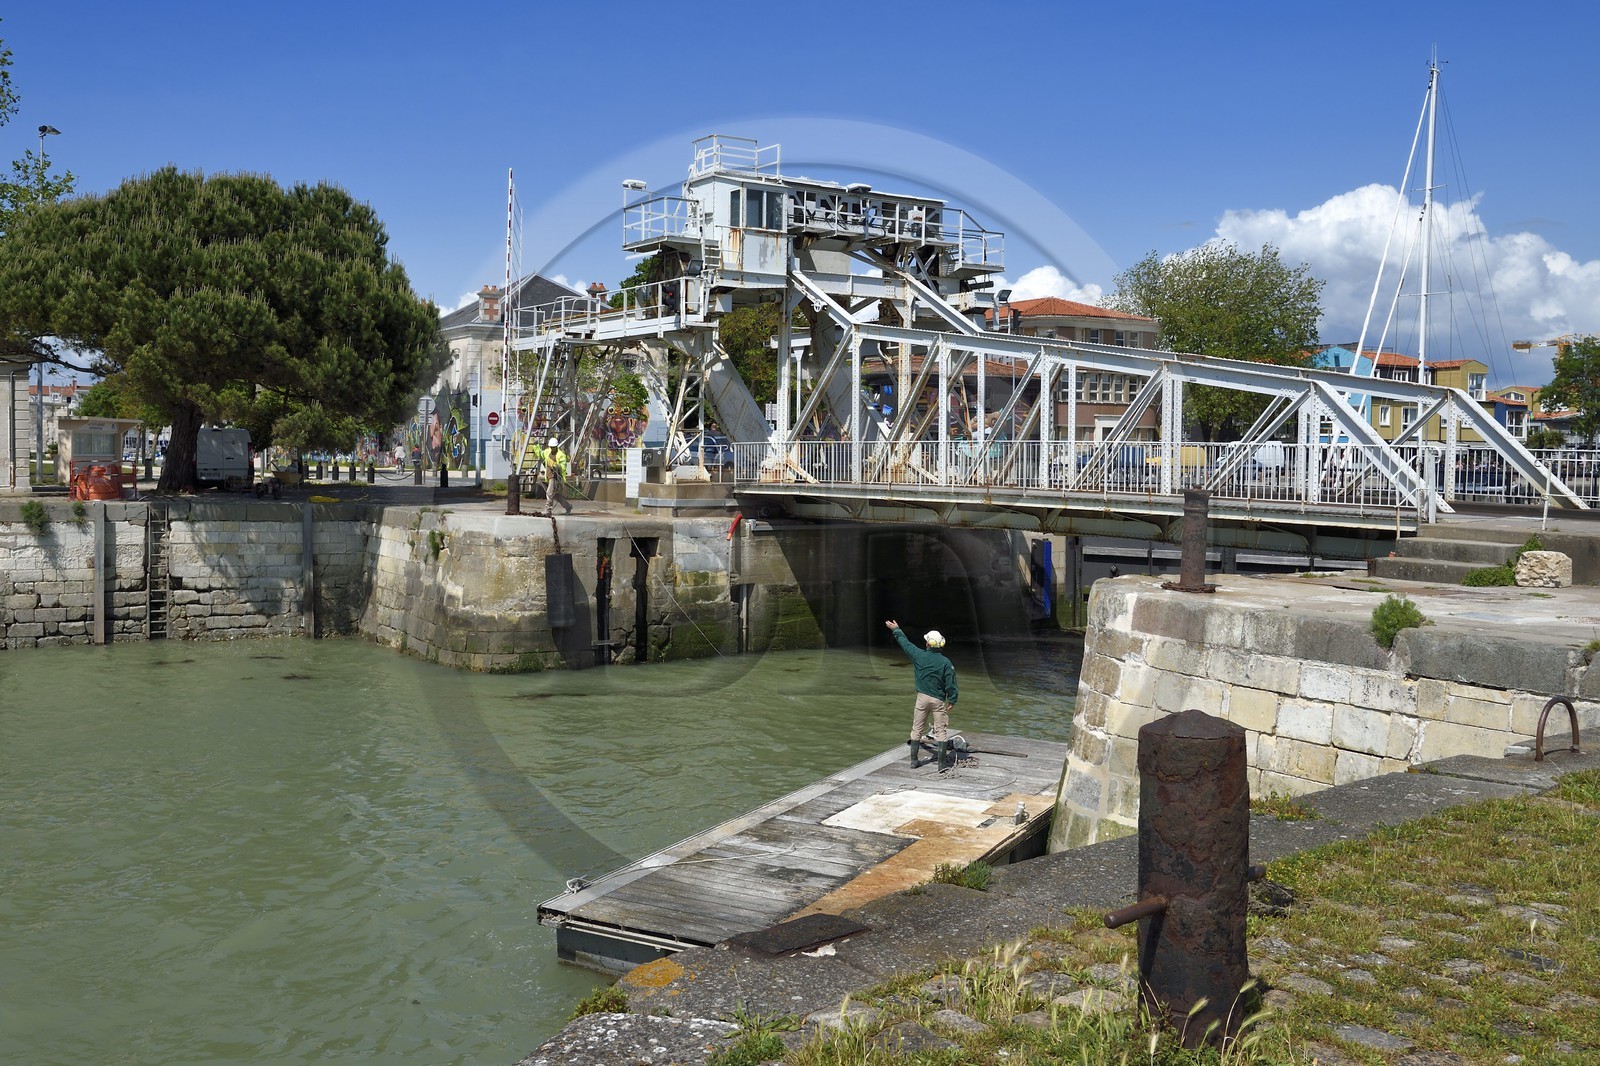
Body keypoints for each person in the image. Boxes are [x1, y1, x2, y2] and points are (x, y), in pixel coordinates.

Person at [884, 619, 958, 770]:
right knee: (941, 731)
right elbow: (951, 683)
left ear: (927, 644)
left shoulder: (919, 656)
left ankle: (913, 762)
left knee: (917, 729)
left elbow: (906, 645)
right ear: (941, 645)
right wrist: (952, 699)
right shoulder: (946, 662)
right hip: (938, 700)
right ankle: (941, 765)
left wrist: (896, 629)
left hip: (922, 699)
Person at [543, 436, 573, 516]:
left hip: (556, 477)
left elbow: (563, 466)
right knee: (556, 495)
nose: (552, 448)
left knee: (549, 493)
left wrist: (557, 466)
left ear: (556, 446)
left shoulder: (561, 455)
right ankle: (568, 506)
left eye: (553, 447)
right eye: (551, 447)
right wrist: (536, 446)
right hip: (549, 476)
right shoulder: (547, 452)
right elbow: (541, 454)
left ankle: (548, 510)